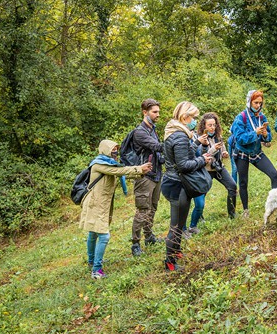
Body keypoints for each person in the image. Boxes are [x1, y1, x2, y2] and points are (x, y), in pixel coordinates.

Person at [79, 140, 152, 279]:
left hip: (102, 203)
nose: (115, 152)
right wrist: (139, 168)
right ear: (105, 150)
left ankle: (91, 261)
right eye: (113, 149)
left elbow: (121, 173)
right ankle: (96, 270)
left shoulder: (110, 164)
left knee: (93, 233)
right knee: (103, 235)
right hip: (95, 203)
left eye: (116, 149)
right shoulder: (99, 164)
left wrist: (141, 172)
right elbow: (119, 171)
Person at [161, 101, 213, 272]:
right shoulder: (180, 136)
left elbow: (182, 155)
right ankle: (170, 262)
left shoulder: (174, 132)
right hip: (177, 184)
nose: (195, 121)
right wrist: (202, 160)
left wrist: (197, 146)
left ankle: (176, 252)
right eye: (193, 117)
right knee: (176, 226)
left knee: (180, 222)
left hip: (173, 181)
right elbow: (183, 165)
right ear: (184, 117)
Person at [230, 90, 277, 217]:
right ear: (249, 102)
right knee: (243, 182)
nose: (258, 105)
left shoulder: (262, 117)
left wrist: (265, 135)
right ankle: (245, 210)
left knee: (274, 174)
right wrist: (255, 133)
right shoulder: (241, 117)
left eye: (260, 103)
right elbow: (240, 138)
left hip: (257, 152)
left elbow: (268, 138)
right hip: (242, 153)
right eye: (255, 102)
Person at [187, 112, 237, 233]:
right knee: (201, 194)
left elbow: (222, 147)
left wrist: (224, 153)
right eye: (209, 125)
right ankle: (199, 217)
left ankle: (232, 213)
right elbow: (200, 154)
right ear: (204, 125)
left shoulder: (217, 135)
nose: (212, 127)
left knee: (232, 186)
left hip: (218, 167)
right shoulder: (199, 137)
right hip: (205, 169)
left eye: (214, 125)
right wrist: (214, 149)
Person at [130, 98, 165, 257]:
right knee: (143, 210)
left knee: (153, 207)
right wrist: (177, 142)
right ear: (145, 112)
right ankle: (135, 244)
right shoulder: (140, 132)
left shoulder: (152, 129)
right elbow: (156, 146)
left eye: (158, 111)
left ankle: (149, 236)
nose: (158, 114)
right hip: (144, 176)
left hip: (156, 173)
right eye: (154, 112)